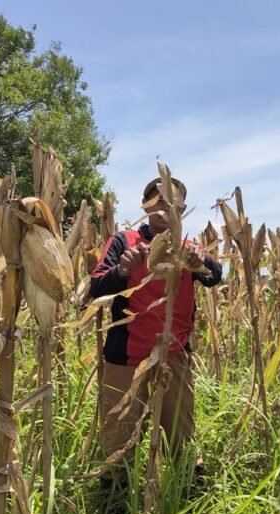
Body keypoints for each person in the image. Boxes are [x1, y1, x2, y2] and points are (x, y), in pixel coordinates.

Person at [89, 176, 222, 472]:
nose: (165, 205)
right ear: (145, 205)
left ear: (182, 207)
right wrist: (123, 269)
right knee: (117, 445)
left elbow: (215, 278)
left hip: (174, 355)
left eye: (172, 200)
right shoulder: (124, 241)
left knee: (181, 439)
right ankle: (116, 504)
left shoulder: (188, 248)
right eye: (157, 199)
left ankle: (189, 491)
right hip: (126, 357)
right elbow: (95, 288)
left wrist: (201, 263)